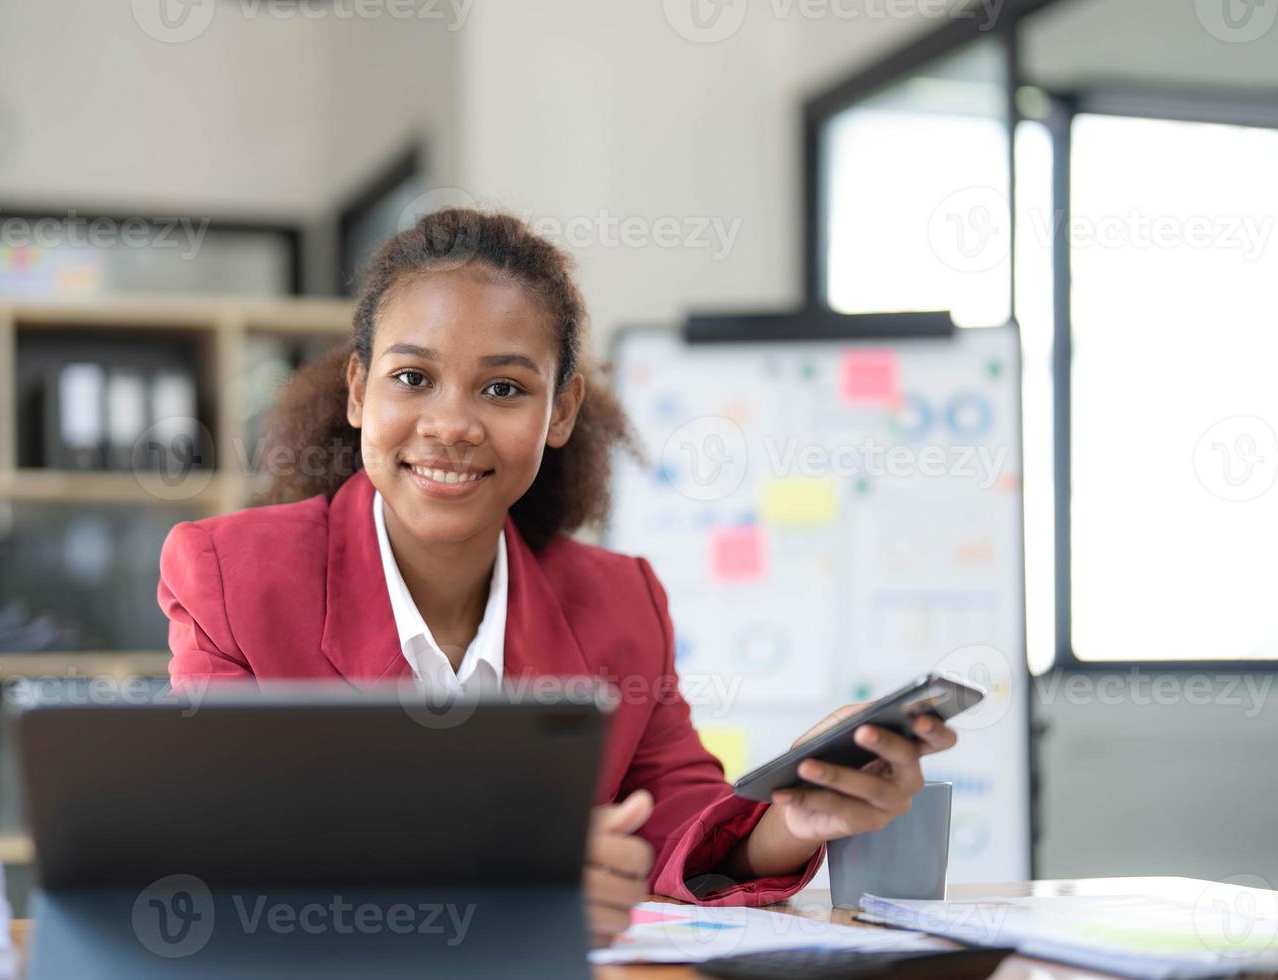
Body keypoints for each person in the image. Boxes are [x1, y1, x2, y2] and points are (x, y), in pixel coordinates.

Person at [157, 208, 958, 947]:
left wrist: (799, 811)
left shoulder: (618, 601)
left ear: (562, 410)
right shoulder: (229, 576)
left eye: (503, 388)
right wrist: (503, 887)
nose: (451, 425)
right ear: (359, 390)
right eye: (412, 378)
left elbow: (673, 819)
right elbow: (219, 845)